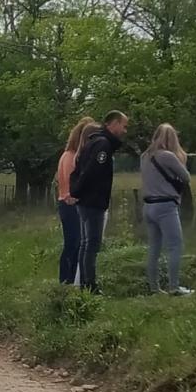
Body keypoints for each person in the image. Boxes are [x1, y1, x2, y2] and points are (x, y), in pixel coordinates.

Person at [70, 111, 129, 294]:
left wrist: (77, 191)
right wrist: (82, 191)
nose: (125, 131)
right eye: (124, 126)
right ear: (113, 124)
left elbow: (80, 169)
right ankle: (90, 285)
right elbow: (91, 172)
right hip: (93, 201)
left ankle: (84, 284)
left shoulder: (92, 142)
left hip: (85, 200)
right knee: (92, 245)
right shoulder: (102, 145)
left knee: (86, 243)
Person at [141, 124, 192, 296]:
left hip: (148, 206)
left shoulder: (145, 156)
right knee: (175, 246)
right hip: (166, 206)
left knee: (154, 248)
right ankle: (174, 286)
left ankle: (154, 287)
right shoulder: (168, 156)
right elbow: (186, 177)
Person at [56, 117, 94, 284]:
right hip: (71, 203)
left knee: (74, 243)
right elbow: (75, 183)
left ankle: (69, 279)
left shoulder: (66, 155)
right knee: (74, 243)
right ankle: (67, 279)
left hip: (67, 202)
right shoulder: (72, 157)